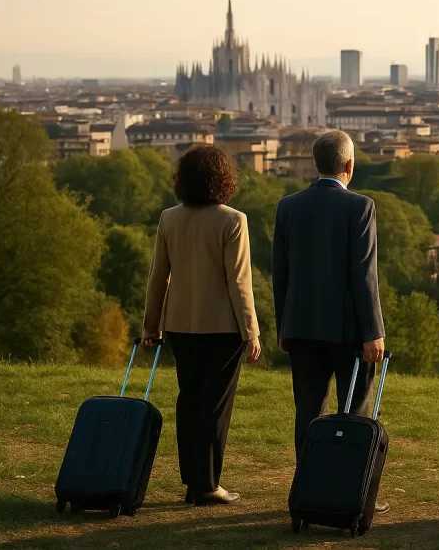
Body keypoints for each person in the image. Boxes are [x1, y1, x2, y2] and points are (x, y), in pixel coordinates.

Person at [272, 130, 389, 514]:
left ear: (315, 163)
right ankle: (347, 490)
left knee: (306, 412)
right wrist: (373, 332)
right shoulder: (361, 206)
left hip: (302, 328)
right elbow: (364, 275)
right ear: (349, 165)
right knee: (353, 412)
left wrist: (283, 327)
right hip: (349, 332)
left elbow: (281, 274)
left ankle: (307, 486)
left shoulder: (288, 206)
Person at [141, 145, 262, 506]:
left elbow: (157, 278)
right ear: (224, 179)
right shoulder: (233, 220)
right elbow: (238, 282)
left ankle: (195, 482)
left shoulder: (169, 218)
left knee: (190, 401)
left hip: (179, 324)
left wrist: (151, 324)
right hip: (222, 328)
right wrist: (251, 331)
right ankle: (207, 485)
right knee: (215, 407)